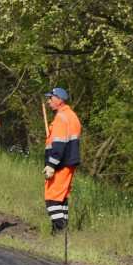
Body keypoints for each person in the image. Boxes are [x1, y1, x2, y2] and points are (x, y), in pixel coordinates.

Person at [43, 87, 82, 233]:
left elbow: (59, 144)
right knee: (62, 199)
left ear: (59, 100)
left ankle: (60, 231)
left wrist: (51, 165)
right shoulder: (72, 116)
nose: (48, 102)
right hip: (69, 163)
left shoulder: (61, 118)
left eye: (51, 98)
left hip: (60, 164)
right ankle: (60, 233)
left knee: (51, 198)